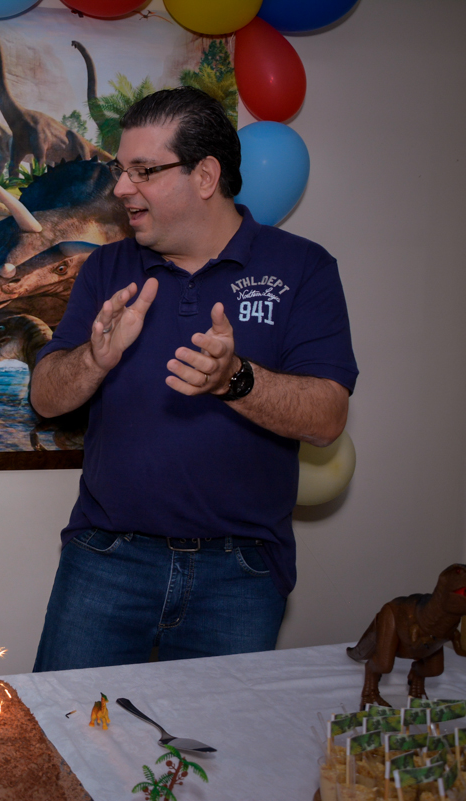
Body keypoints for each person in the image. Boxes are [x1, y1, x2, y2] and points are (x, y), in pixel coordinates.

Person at [29, 87, 358, 670]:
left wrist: (236, 380)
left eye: (144, 171)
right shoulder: (107, 267)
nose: (122, 188)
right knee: (66, 741)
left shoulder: (303, 267)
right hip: (107, 558)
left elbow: (328, 417)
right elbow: (45, 398)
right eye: (120, 170)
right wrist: (93, 360)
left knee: (218, 755)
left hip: (241, 573)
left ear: (205, 176)